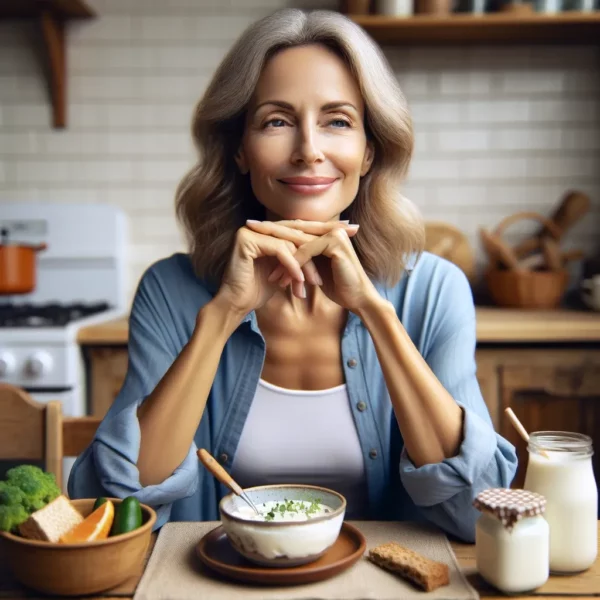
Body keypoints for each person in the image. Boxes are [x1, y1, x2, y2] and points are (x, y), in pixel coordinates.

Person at [68, 7, 517, 542]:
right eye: (277, 121)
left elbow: (477, 508)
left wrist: (375, 312)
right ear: (239, 148)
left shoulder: (435, 289)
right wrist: (222, 317)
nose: (309, 150)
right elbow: (114, 505)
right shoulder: (170, 291)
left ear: (369, 151)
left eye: (338, 121)